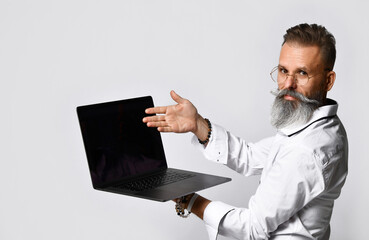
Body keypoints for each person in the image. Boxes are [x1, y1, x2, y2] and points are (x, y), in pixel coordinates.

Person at [142, 23, 348, 240]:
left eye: (302, 73)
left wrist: (187, 200)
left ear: (328, 80)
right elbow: (251, 157)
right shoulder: (315, 126)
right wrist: (198, 124)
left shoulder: (307, 150)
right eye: (283, 70)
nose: (288, 84)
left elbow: (252, 227)